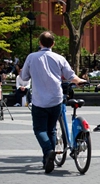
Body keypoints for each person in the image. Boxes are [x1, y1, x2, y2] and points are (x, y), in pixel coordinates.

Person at [21, 31, 87, 174]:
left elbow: (24, 77)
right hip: (56, 99)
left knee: (39, 130)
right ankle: (47, 160)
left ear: (39, 43)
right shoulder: (59, 58)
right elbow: (71, 76)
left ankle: (49, 151)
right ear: (53, 44)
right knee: (51, 129)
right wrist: (80, 81)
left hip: (39, 101)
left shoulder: (32, 57)